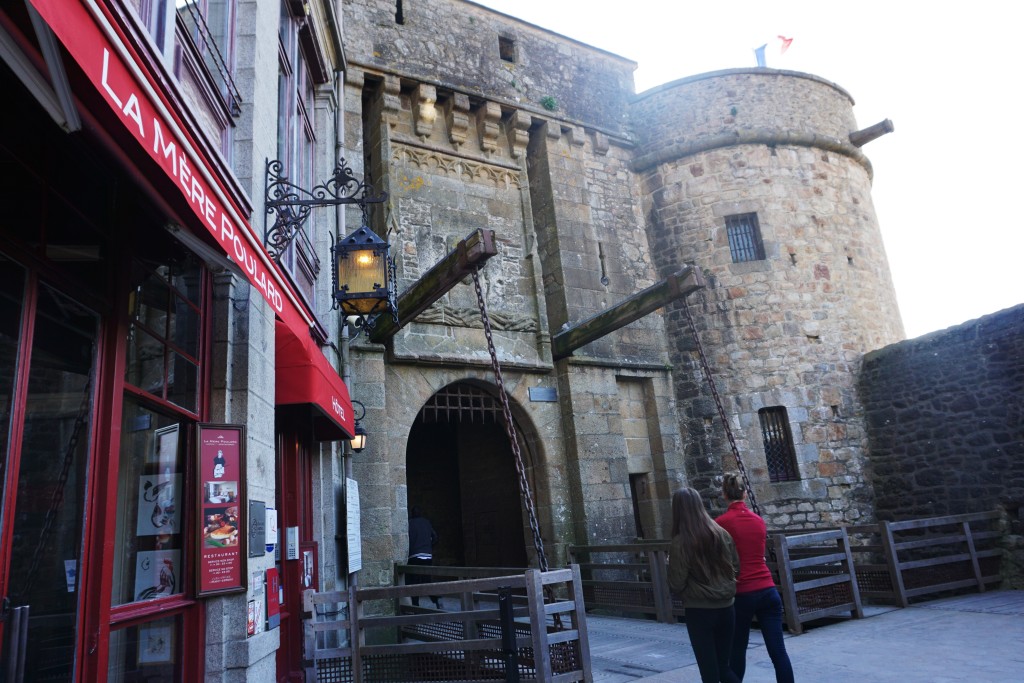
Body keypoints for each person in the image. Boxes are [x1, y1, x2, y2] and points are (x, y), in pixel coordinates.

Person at [716, 472, 794, 683]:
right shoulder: (759, 521)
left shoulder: (721, 524)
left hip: (742, 593)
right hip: (768, 590)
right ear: (745, 493)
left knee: (737, 652)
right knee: (778, 652)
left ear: (724, 494)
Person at [668, 487, 741, 683]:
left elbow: (676, 582)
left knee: (709, 673)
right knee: (723, 668)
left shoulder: (681, 542)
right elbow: (735, 566)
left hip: (699, 610)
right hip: (727, 607)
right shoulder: (721, 533)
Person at [407, 506, 440, 607]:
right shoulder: (426, 522)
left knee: (414, 582)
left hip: (414, 556)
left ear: (412, 514)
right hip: (427, 556)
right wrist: (429, 547)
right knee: (427, 580)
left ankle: (416, 605)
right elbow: (435, 537)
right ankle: (436, 601)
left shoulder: (410, 523)